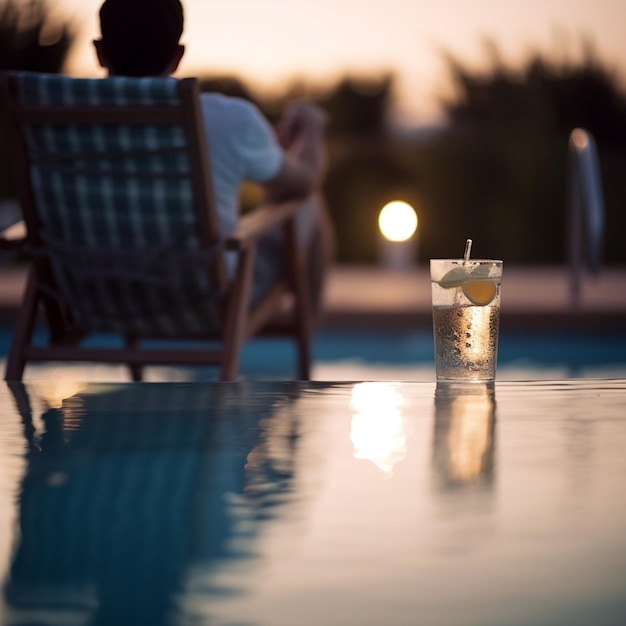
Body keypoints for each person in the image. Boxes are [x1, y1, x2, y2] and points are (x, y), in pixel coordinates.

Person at [93, 0, 333, 320]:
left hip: (97, 297)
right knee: (306, 200)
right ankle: (307, 341)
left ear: (99, 51)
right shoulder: (227, 119)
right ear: (178, 57)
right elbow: (306, 179)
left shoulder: (53, 119)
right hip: (204, 301)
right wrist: (311, 127)